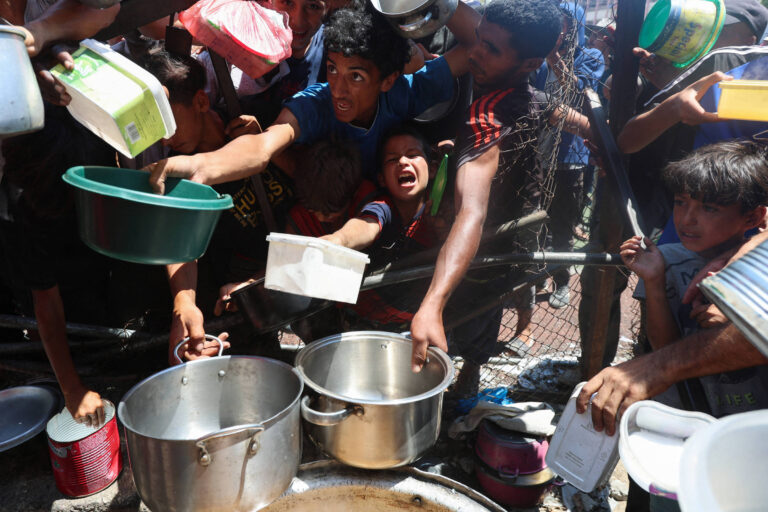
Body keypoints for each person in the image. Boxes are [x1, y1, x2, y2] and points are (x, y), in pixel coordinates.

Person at [144, 2, 469, 190]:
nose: (338, 89)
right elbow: (262, 145)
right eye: (331, 69)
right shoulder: (315, 104)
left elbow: (477, 47)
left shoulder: (404, 94)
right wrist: (201, 165)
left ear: (387, 80)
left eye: (356, 76)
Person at [409, 0, 562, 372]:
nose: (474, 52)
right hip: (505, 249)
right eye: (478, 38)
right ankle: (468, 380)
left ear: (530, 65)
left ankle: (458, 392)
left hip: (475, 260)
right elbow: (568, 116)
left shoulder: (486, 116)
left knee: (454, 338)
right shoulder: (530, 97)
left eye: (491, 48)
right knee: (479, 329)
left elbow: (471, 211)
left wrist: (432, 303)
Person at [142, 49, 291, 363]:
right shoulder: (176, 173)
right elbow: (179, 239)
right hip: (236, 296)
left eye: (169, 124)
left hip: (295, 272)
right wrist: (183, 304)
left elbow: (311, 178)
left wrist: (266, 142)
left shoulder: (253, 118)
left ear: (201, 101)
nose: (165, 140)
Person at [534, 2, 605, 309]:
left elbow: (579, 95)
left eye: (563, 23)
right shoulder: (536, 59)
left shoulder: (590, 56)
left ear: (574, 27)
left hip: (568, 158)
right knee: (533, 223)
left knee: (561, 224)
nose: (557, 30)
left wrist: (557, 61)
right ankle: (534, 274)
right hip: (538, 154)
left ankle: (561, 281)